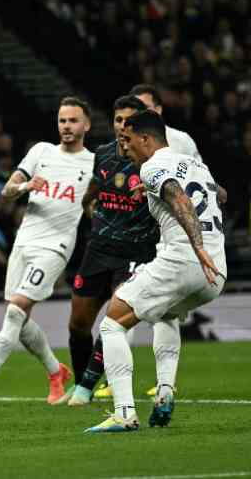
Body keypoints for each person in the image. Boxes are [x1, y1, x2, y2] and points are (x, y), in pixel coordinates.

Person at [86, 110, 225, 432]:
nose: (124, 148)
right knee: (165, 315)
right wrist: (151, 192)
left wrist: (197, 246)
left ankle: (124, 413)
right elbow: (220, 195)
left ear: (145, 139)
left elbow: (180, 199)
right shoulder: (196, 164)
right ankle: (164, 392)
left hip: (185, 259)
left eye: (128, 140)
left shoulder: (152, 166)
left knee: (111, 324)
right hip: (215, 272)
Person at [0, 97, 95, 406]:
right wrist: (25, 187)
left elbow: (94, 207)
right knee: (17, 317)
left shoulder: (94, 163)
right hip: (24, 241)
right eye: (62, 120)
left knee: (16, 310)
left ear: (86, 125)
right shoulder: (41, 151)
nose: (66, 126)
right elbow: (6, 191)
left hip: (55, 246)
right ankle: (56, 371)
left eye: (73, 120)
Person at [62, 95, 154, 405]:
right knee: (78, 324)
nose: (122, 126)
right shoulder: (102, 154)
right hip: (98, 248)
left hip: (135, 252)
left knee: (113, 319)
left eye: (129, 121)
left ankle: (86, 388)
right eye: (118, 120)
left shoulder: (152, 160)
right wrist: (88, 201)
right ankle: (80, 383)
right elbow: (96, 185)